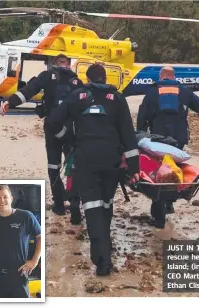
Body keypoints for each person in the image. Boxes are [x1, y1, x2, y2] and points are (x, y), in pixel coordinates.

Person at [46, 64, 141, 276]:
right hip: (112, 162)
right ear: (105, 78)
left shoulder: (77, 96)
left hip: (86, 161)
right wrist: (135, 168)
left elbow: (52, 122)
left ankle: (102, 260)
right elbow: (128, 134)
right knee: (106, 205)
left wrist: (68, 140)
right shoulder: (117, 99)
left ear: (87, 78)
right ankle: (104, 253)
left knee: (93, 208)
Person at [1, 54, 83, 219]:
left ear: (54, 64)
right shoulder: (77, 82)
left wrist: (10, 102)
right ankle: (75, 204)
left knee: (53, 166)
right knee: (73, 167)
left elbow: (28, 91)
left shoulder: (47, 76)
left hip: (52, 127)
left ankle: (59, 205)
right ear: (69, 65)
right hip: (71, 129)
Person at [137, 66, 199, 228]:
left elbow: (142, 117)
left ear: (161, 76)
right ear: (174, 77)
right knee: (176, 169)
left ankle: (159, 213)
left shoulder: (152, 92)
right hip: (178, 140)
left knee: (159, 174)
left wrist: (141, 136)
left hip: (158, 140)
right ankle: (170, 201)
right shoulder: (184, 91)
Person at [0, 185, 42, 298]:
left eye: (5, 197)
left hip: (19, 274)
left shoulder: (26, 216)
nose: (2, 200)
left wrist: (34, 261)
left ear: (11, 199)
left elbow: (40, 237)